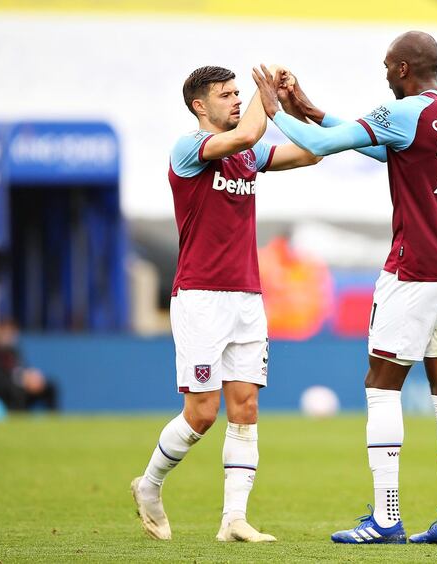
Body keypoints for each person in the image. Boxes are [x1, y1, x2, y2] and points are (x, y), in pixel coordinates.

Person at [252, 31, 437, 546]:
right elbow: (382, 149)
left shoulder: (404, 111)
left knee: (381, 386)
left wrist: (274, 111)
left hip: (416, 266)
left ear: (402, 70)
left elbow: (324, 146)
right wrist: (308, 107)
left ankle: (385, 517)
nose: (383, 74)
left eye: (386, 66)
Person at [131, 65, 321, 543]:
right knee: (202, 413)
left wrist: (296, 101)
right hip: (200, 297)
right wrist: (265, 93)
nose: (237, 100)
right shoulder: (189, 149)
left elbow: (312, 154)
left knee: (246, 407)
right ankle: (149, 484)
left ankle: (233, 520)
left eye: (240, 92)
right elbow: (250, 130)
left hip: (247, 298)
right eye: (226, 94)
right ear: (200, 106)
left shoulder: (248, 154)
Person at [0, 319, 59, 411]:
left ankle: (53, 417)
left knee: (50, 386)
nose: (9, 337)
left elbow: (22, 369)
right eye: (6, 333)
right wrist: (19, 380)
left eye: (11, 334)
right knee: (16, 389)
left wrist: (31, 378)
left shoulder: (14, 352)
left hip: (20, 387)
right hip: (1, 393)